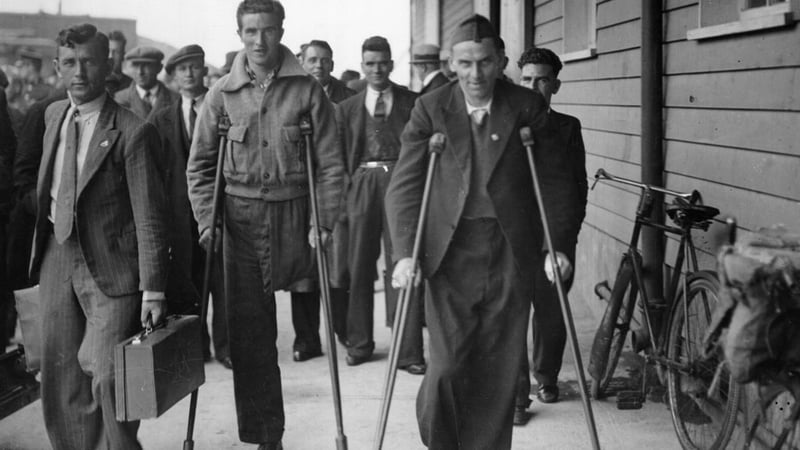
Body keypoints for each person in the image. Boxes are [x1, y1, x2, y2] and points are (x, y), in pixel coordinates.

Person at [385, 15, 572, 449]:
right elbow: (406, 185)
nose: (475, 74)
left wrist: (556, 246)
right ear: (451, 64)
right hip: (450, 252)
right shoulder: (431, 108)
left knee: (497, 371)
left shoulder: (527, 106)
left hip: (510, 251)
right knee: (448, 367)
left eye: (485, 62)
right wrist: (404, 253)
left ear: (501, 60)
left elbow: (556, 183)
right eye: (465, 64)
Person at [186, 1, 344, 448]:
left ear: (281, 31)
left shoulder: (308, 91)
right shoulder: (221, 93)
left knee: (309, 314)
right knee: (252, 337)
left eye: (269, 30)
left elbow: (330, 165)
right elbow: (199, 168)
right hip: (240, 221)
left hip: (296, 216)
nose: (260, 41)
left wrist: (324, 220)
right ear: (239, 34)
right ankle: (265, 435)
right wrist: (206, 221)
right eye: (251, 31)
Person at [30, 23, 169, 449]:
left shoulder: (132, 130)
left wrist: (154, 290)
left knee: (111, 379)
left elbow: (149, 216)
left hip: (112, 269)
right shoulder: (54, 116)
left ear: (108, 65)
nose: (79, 72)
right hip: (58, 257)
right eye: (70, 62)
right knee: (61, 379)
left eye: (89, 61)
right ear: (57, 66)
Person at [336, 36, 425, 374]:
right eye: (370, 63)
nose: (376, 69)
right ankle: (359, 344)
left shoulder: (413, 102)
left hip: (401, 186)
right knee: (359, 266)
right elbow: (338, 156)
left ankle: (409, 352)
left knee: (404, 263)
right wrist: (345, 198)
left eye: (382, 62)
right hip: (361, 184)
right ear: (363, 66)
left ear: (391, 63)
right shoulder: (346, 108)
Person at [513, 46, 588, 424]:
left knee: (550, 310)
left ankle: (547, 376)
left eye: (542, 79)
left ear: (555, 85)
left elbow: (577, 187)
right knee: (511, 312)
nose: (533, 86)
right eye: (526, 79)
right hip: (513, 235)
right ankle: (515, 394)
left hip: (554, 234)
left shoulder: (567, 126)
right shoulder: (504, 124)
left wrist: (562, 242)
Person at [147, 44, 231, 369]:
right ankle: (197, 346)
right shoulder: (162, 115)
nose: (189, 74)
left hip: (218, 209)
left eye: (194, 67)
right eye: (181, 69)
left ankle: (226, 347)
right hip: (181, 218)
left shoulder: (220, 105)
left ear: (203, 69)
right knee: (188, 282)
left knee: (223, 283)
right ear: (174, 75)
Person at [289, 38, 356, 359]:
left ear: (332, 63)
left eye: (325, 60)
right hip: (299, 193)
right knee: (304, 269)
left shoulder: (349, 98)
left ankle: (344, 330)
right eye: (312, 59)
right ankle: (306, 339)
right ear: (302, 62)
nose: (319, 65)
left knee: (338, 265)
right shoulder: (288, 95)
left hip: (335, 192)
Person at [114, 46, 178, 119]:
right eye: (135, 65)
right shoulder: (120, 98)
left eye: (146, 65)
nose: (140, 72)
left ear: (159, 68)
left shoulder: (175, 100)